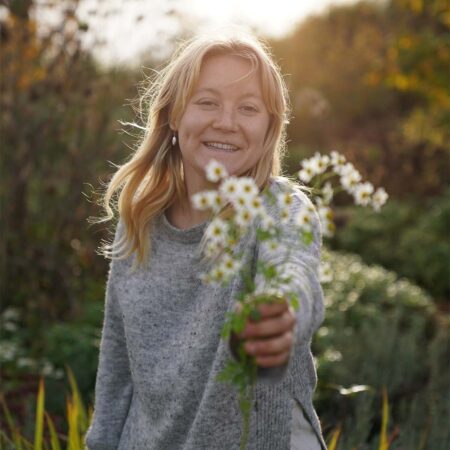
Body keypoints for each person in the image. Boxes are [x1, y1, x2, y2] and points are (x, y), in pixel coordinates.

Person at [85, 30, 326, 450]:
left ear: (270, 126)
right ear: (174, 114)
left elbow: (294, 271)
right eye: (207, 102)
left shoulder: (279, 210)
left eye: (248, 108)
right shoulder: (139, 221)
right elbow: (117, 368)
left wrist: (282, 309)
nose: (226, 122)